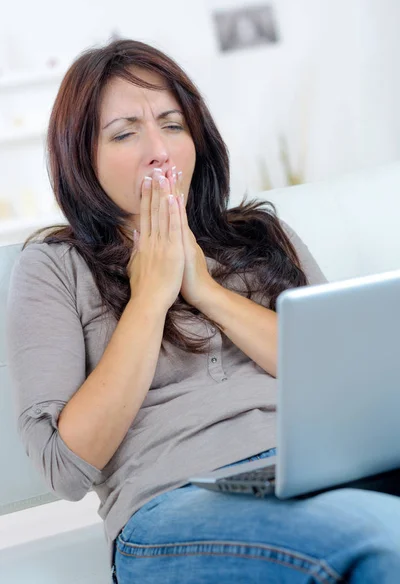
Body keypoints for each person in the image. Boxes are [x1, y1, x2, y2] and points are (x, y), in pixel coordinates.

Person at [6, 38, 400, 584]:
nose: (159, 150)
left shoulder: (262, 236)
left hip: (318, 475)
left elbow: (347, 379)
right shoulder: (55, 266)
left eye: (172, 124)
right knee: (380, 541)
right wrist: (150, 296)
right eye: (124, 133)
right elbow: (65, 468)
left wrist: (207, 291)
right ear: (81, 160)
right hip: (176, 503)